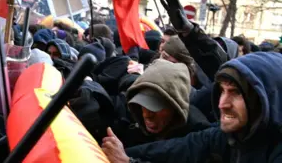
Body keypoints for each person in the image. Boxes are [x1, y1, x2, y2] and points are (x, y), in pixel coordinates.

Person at [103, 52, 282, 163]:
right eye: (222, 91)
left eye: (235, 92)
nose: (222, 104)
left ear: (263, 99)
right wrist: (114, 154)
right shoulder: (229, 135)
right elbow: (177, 149)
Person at [119, 59, 209, 148]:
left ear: (176, 106)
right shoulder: (134, 114)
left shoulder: (197, 134)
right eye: (142, 103)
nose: (147, 115)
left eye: (155, 107)